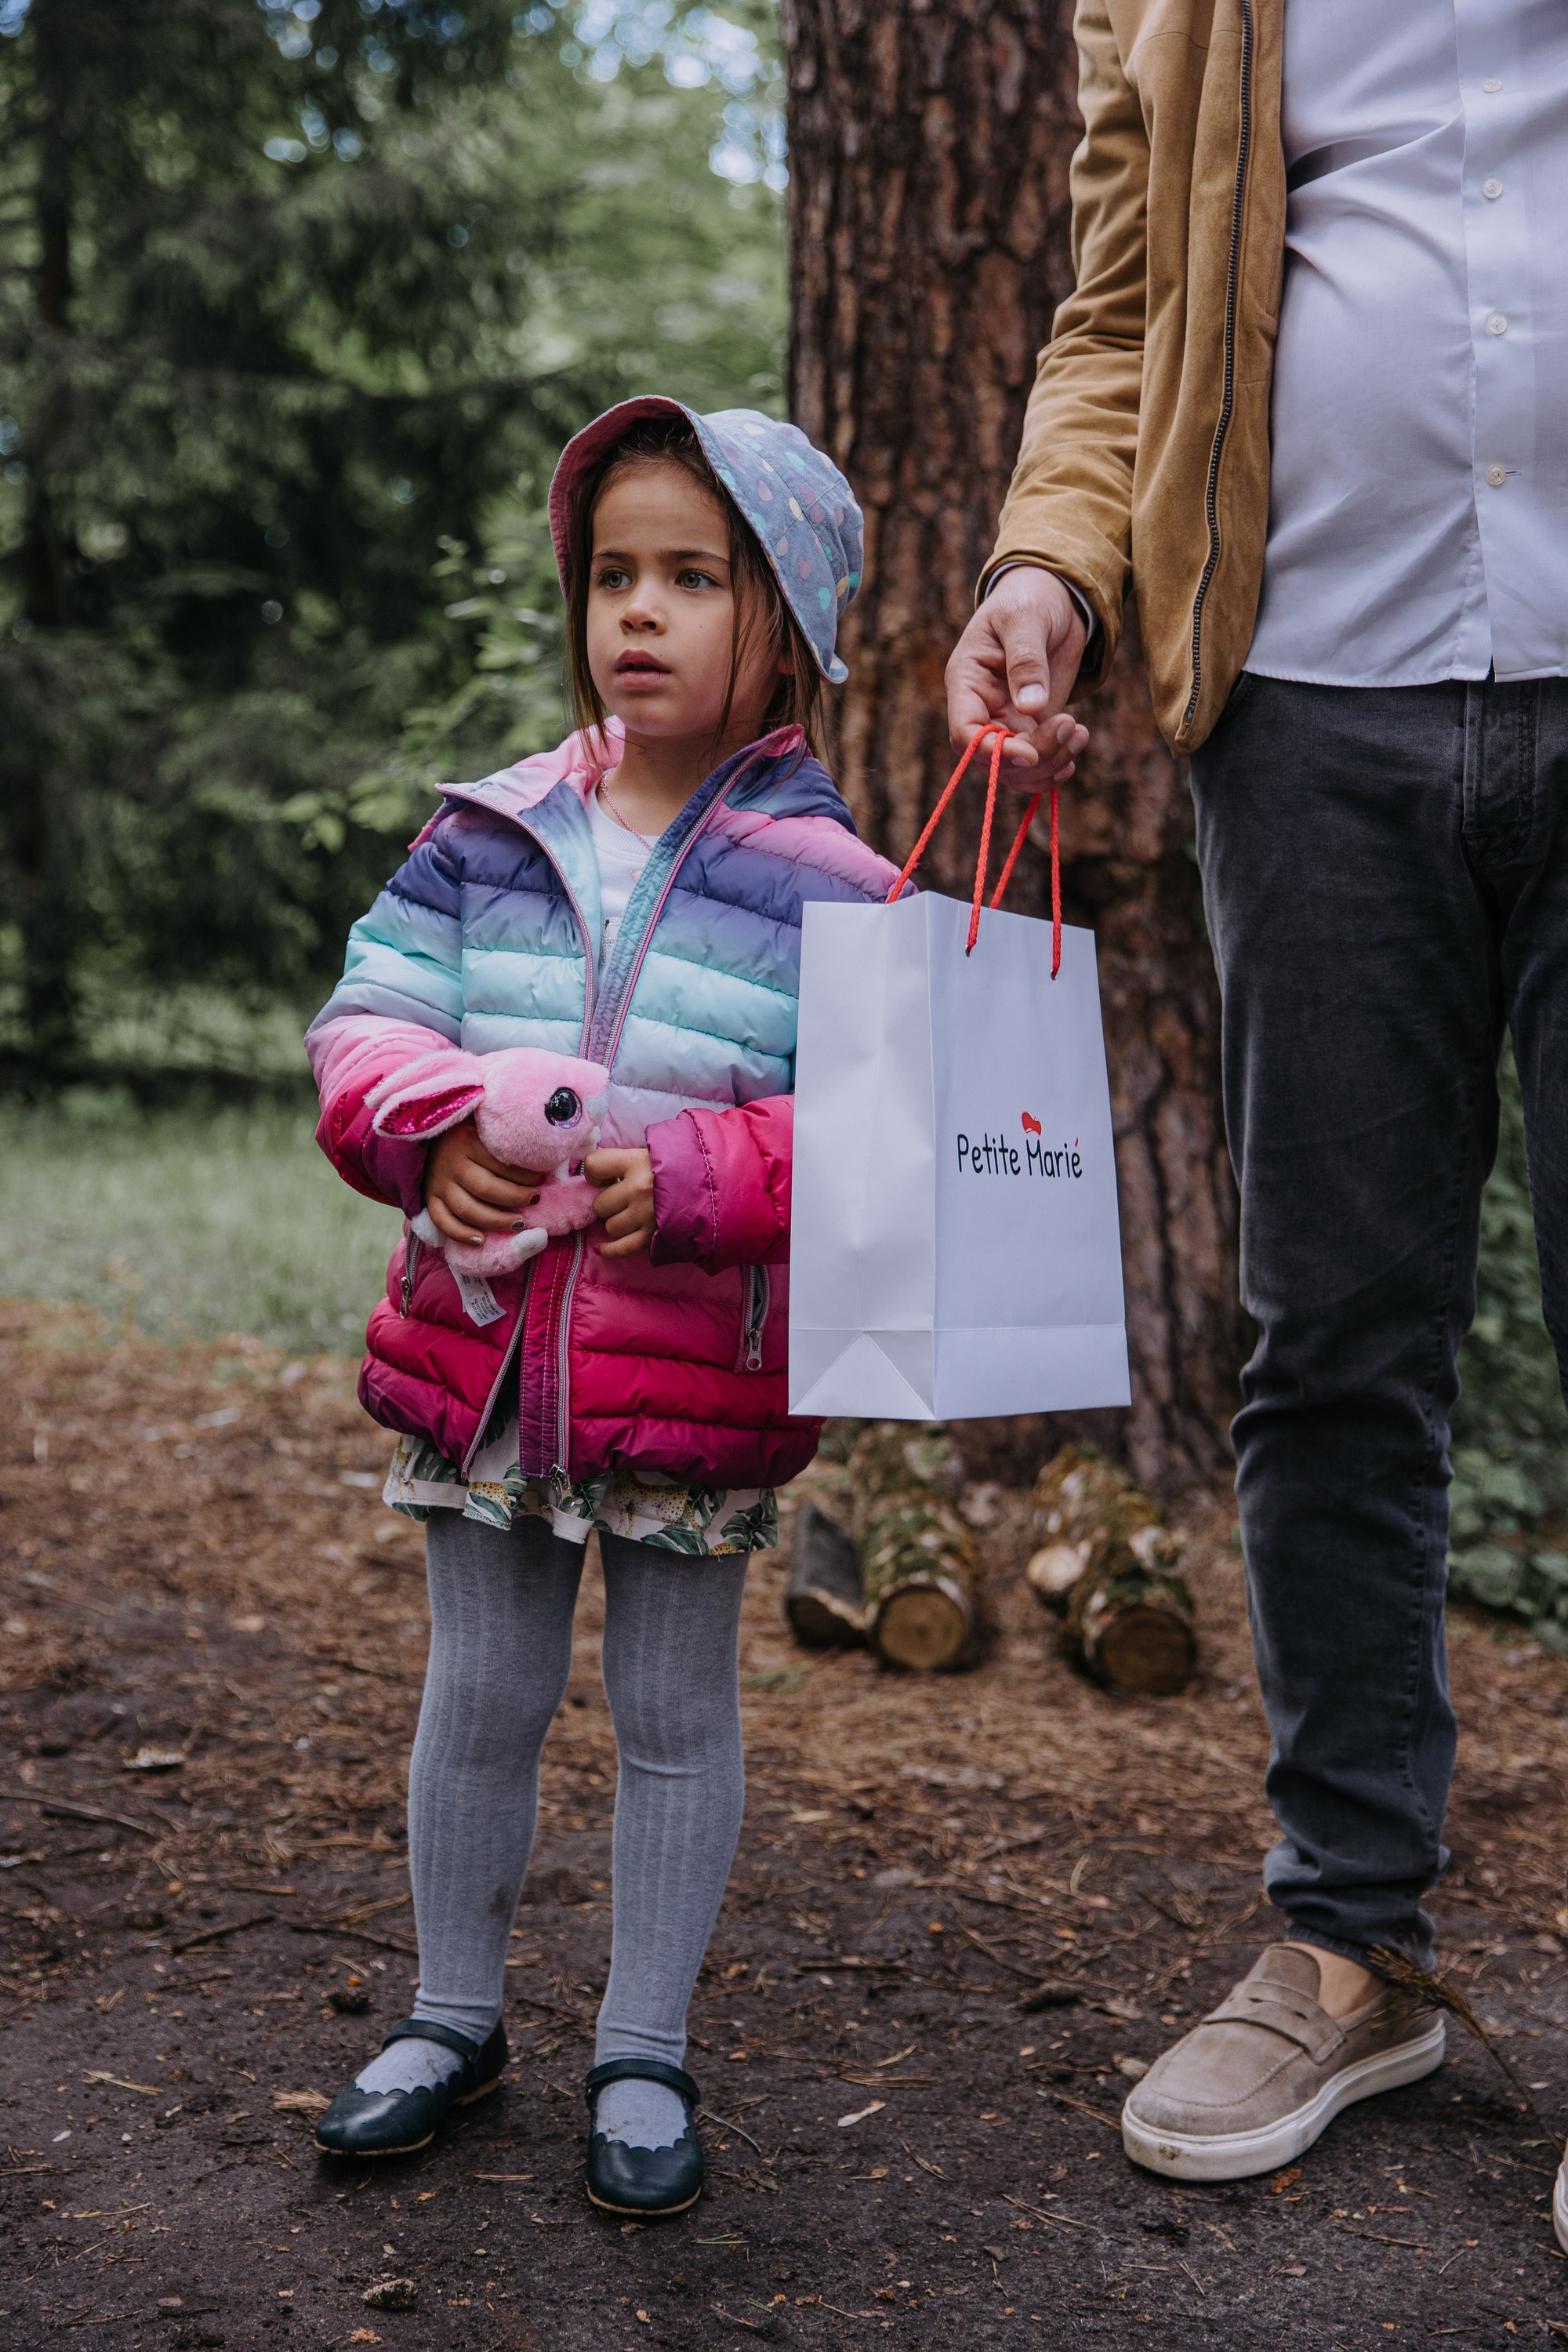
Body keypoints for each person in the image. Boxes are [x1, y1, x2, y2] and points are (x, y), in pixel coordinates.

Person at [947, 0, 1568, 2197]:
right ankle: (1351, 1947)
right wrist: (1049, 560)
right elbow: (1125, 312)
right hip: (1310, 700)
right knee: (1333, 1339)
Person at [305, 398, 895, 2215]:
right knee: (477, 1693)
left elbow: (877, 1128)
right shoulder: (489, 832)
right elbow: (365, 1019)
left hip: (690, 1379)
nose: (637, 610)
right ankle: (452, 2015)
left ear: (783, 622)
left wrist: (715, 1179)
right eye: (613, 573)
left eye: (691, 577)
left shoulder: (838, 886)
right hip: (481, 1368)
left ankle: (640, 2047)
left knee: (672, 1715)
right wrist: (425, 1130)